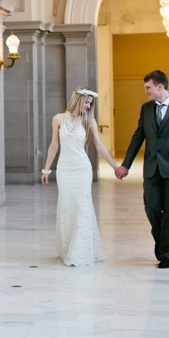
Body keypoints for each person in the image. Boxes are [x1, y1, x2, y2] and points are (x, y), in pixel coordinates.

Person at [115, 70, 169, 269]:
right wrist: (126, 164)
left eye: (148, 87)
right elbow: (138, 136)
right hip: (151, 168)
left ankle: (167, 254)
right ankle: (163, 241)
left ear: (160, 86)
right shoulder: (146, 109)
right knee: (151, 207)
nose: (145, 91)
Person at [41, 87, 121, 267]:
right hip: (64, 170)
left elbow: (99, 146)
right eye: (86, 102)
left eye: (90, 104)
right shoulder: (58, 119)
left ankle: (80, 251)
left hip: (82, 169)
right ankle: (67, 248)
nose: (88, 106)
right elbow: (54, 146)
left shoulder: (89, 121)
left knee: (82, 206)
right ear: (77, 100)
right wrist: (46, 170)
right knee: (67, 207)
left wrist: (116, 167)